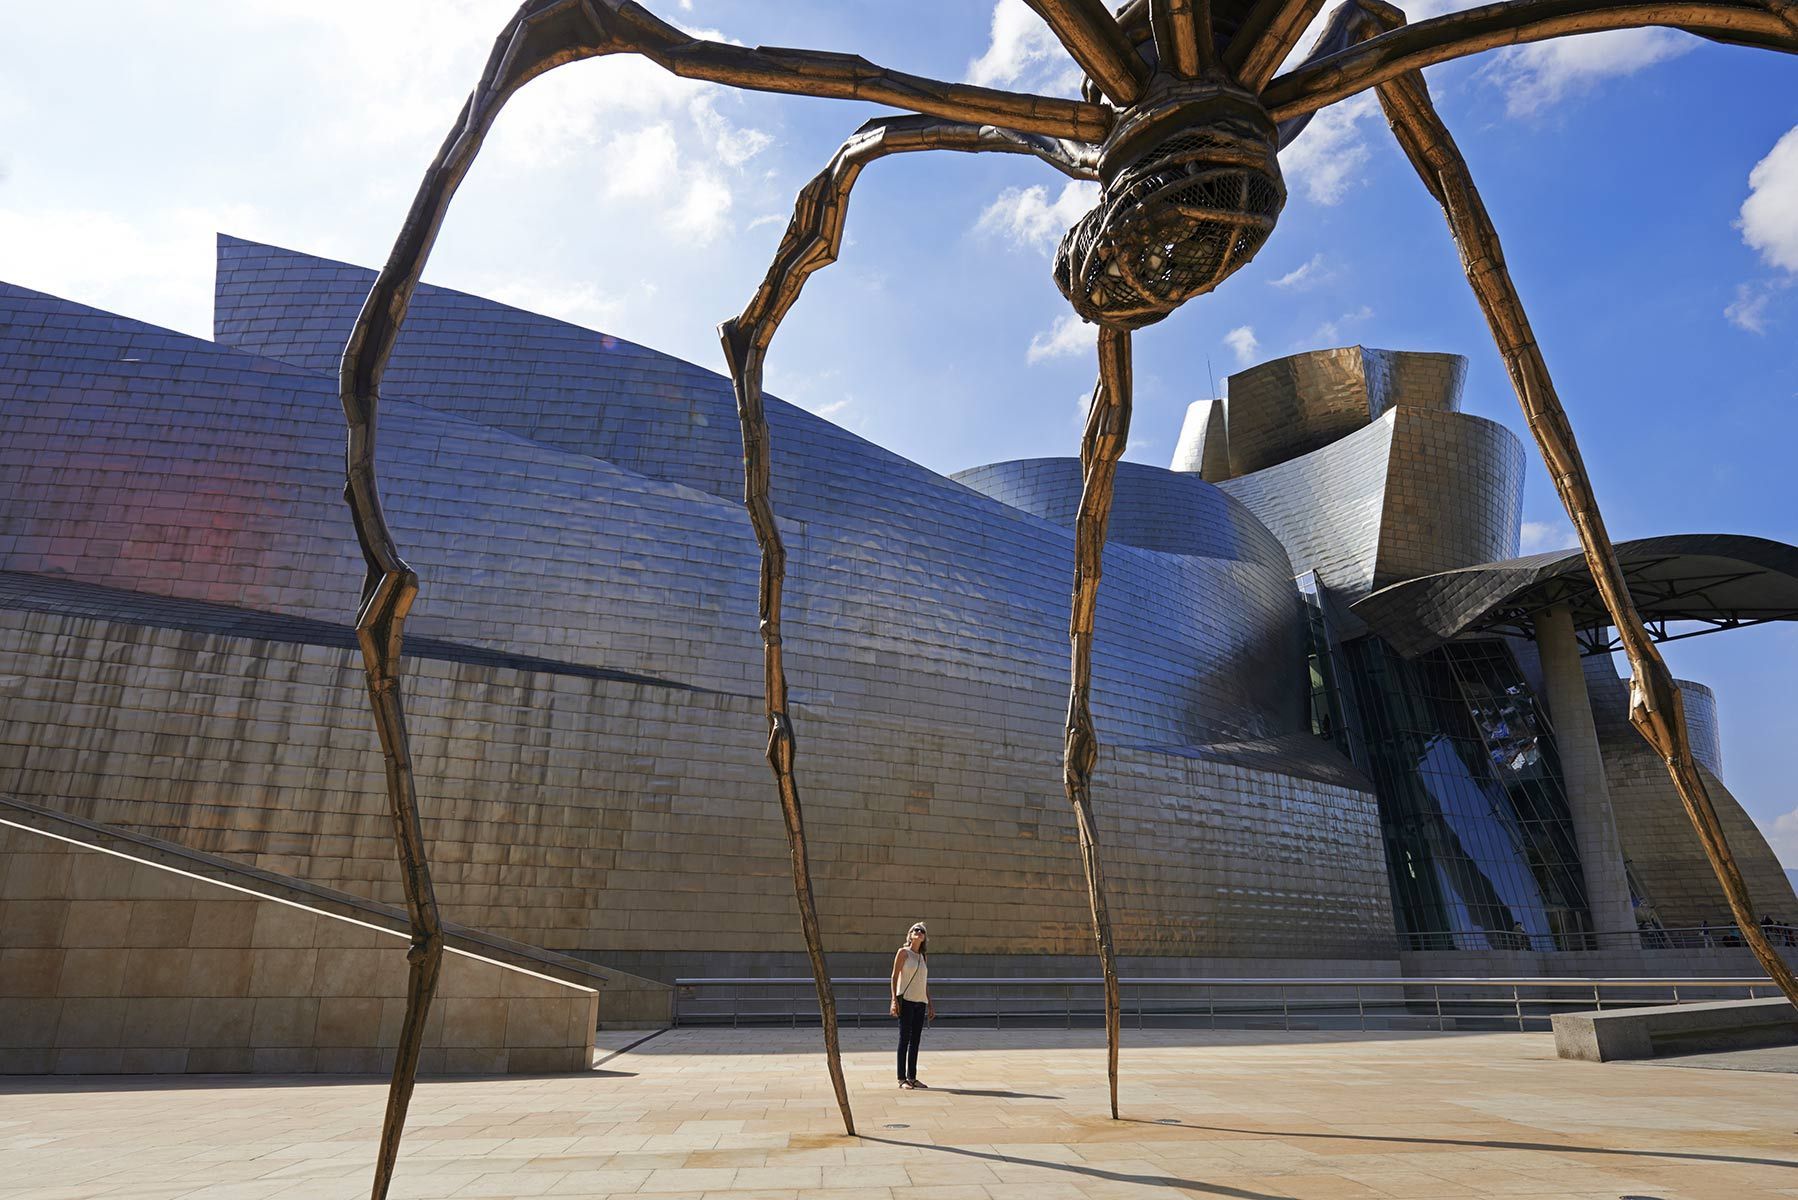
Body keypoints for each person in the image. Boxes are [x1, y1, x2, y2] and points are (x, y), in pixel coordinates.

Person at [890, 920, 935, 1089]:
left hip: (920, 1002)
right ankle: (901, 1079)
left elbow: (924, 982)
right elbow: (894, 977)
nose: (918, 932)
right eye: (915, 930)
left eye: (922, 931)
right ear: (910, 935)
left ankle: (912, 1077)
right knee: (904, 1039)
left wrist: (930, 1003)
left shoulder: (923, 957)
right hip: (906, 1000)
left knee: (915, 1040)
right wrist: (894, 1000)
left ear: (924, 938)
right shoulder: (903, 953)